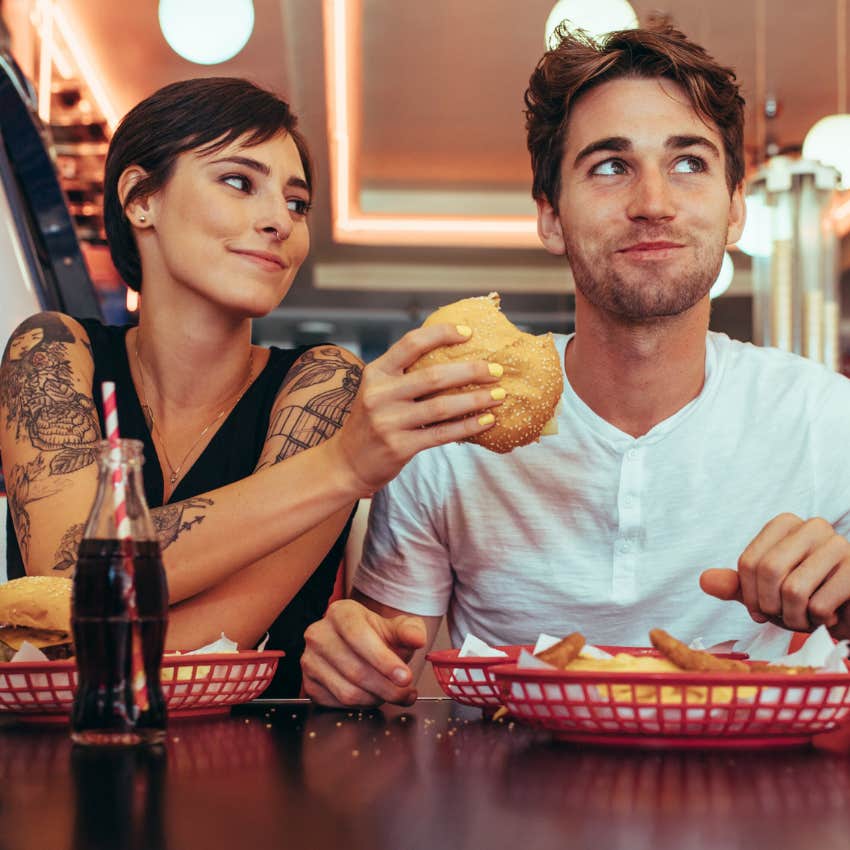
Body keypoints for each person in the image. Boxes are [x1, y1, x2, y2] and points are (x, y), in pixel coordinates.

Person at [300, 25, 850, 708]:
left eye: (689, 164)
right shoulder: (455, 424)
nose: (653, 202)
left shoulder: (828, 419)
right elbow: (386, 678)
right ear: (551, 217)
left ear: (735, 208)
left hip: (755, 801)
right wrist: (350, 666)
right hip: (499, 807)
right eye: (610, 166)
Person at [0, 77, 504, 695]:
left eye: (297, 203)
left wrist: (345, 464)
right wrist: (343, 466)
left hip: (265, 767)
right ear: (140, 199)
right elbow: (70, 577)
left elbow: (217, 645)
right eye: (239, 182)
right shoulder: (49, 352)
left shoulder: (321, 383)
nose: (279, 222)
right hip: (63, 767)